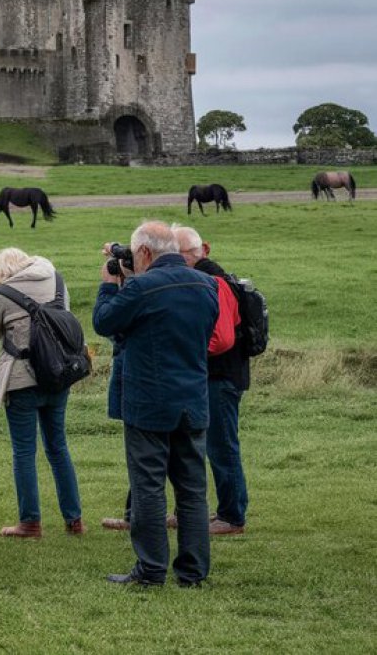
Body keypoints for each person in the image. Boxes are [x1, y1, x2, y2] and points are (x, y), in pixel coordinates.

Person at [93, 221, 218, 587]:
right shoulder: (206, 285)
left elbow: (104, 322)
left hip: (149, 400)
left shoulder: (144, 288)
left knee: (148, 486)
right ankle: (192, 572)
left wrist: (107, 283)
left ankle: (150, 570)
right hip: (193, 399)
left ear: (145, 252)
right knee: (192, 490)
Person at [0, 247, 82, 538]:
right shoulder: (56, 280)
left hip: (21, 378)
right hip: (58, 374)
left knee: (24, 451)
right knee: (58, 447)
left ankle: (30, 522)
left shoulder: (0, 292)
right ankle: (74, 519)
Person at [173, 225, 249, 536]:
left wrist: (186, 351)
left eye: (175, 255)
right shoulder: (211, 278)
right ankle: (190, 510)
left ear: (196, 252)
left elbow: (221, 340)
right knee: (195, 444)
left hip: (219, 376)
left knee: (221, 447)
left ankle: (231, 516)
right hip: (216, 375)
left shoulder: (213, 281)